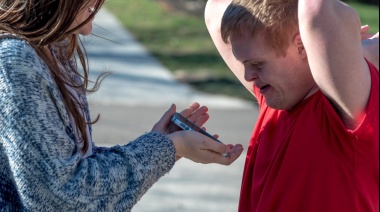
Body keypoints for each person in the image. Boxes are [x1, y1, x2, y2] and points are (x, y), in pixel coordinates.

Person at [0, 0, 244, 211]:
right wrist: (169, 146)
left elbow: (70, 167)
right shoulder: (16, 63)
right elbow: (62, 198)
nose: (89, 27)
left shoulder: (51, 47)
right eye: (91, 6)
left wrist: (162, 143)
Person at [205, 0, 378, 211]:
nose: (248, 76)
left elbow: (317, 8)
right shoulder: (275, 97)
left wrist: (352, 51)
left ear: (302, 45)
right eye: (245, 64)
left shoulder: (342, 110)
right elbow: (216, 8)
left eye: (257, 64)